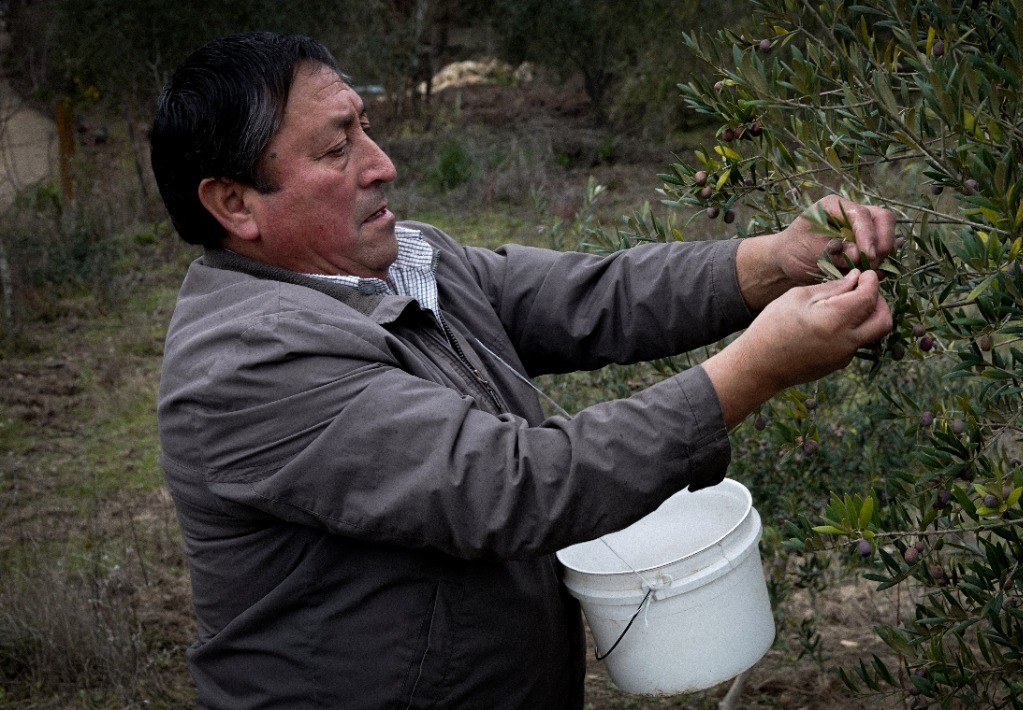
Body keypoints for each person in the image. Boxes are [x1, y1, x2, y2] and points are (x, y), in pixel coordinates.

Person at [151, 32, 894, 709]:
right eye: (335, 149)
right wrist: (756, 370)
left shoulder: (410, 263)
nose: (382, 165)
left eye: (365, 128)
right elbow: (515, 486)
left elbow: (595, 297)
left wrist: (772, 262)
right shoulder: (248, 365)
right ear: (234, 203)